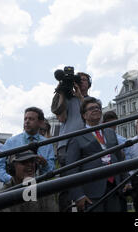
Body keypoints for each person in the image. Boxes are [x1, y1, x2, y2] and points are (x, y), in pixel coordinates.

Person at [66, 97, 129, 212]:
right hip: (91, 193)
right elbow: (71, 169)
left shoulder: (110, 133)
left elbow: (120, 159)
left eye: (97, 108)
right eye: (91, 108)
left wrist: (126, 180)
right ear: (84, 115)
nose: (96, 110)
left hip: (115, 188)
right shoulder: (76, 137)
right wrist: (78, 195)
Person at [51, 71, 93, 211]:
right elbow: (61, 117)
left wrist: (80, 97)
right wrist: (63, 91)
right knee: (66, 185)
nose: (81, 82)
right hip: (66, 144)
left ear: (89, 84)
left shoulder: (92, 101)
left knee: (87, 183)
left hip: (86, 143)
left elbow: (93, 118)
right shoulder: (67, 99)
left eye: (84, 80)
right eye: (78, 79)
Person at [0, 107, 55, 185]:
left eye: (31, 119)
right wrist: (12, 180)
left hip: (39, 187)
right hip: (13, 189)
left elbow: (51, 171)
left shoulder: (47, 144)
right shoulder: (11, 142)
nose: (27, 122)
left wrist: (44, 164)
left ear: (40, 122)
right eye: (25, 119)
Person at [102, 110, 130, 211]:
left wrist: (127, 180)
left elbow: (125, 158)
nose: (112, 127)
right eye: (109, 124)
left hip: (119, 178)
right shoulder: (100, 138)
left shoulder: (122, 140)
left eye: (114, 124)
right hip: (106, 180)